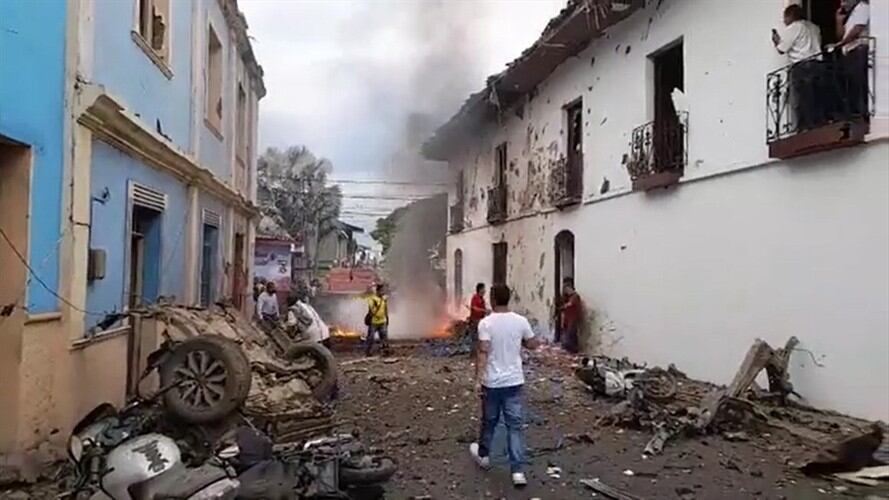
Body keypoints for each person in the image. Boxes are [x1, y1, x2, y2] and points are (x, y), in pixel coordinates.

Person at [469, 284, 539, 488]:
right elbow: (533, 344)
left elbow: (483, 352)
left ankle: (484, 456)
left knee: (489, 421)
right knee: (514, 427)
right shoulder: (521, 321)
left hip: (492, 382)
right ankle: (517, 471)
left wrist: (478, 379)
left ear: (492, 299)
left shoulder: (486, 323)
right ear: (509, 298)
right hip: (514, 381)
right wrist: (521, 342)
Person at [772, 4, 823, 131]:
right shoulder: (814, 27)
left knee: (802, 97)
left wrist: (776, 40)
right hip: (817, 64)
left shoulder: (795, 27)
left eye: (785, 18)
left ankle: (804, 126)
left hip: (802, 66)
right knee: (816, 95)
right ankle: (818, 122)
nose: (784, 21)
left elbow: (782, 49)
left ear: (790, 15)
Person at [834, 0, 870, 118]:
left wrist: (840, 44)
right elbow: (840, 34)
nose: (843, 3)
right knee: (850, 83)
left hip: (858, 50)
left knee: (859, 83)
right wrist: (839, 20)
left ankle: (861, 112)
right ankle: (852, 111)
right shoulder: (850, 15)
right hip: (849, 52)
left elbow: (857, 30)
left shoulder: (863, 7)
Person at [364, 283, 389, 356]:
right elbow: (371, 310)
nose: (383, 292)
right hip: (374, 322)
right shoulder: (372, 299)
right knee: (371, 338)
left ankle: (385, 352)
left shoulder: (384, 299)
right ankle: (368, 352)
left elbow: (385, 310)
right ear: (378, 291)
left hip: (383, 321)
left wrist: (387, 319)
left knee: (384, 337)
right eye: (382, 290)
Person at [559, 278, 582, 354]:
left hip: (573, 320)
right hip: (568, 319)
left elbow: (570, 305)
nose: (566, 291)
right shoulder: (569, 297)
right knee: (569, 334)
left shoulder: (575, 297)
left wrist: (563, 307)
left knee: (570, 335)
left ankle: (573, 350)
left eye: (566, 289)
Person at [468, 283, 488, 352]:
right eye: (483, 289)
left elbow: (483, 310)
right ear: (480, 289)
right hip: (474, 321)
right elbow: (474, 308)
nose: (485, 291)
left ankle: (477, 353)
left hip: (480, 321)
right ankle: (473, 355)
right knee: (474, 338)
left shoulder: (482, 299)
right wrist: (484, 310)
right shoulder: (475, 297)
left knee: (480, 338)